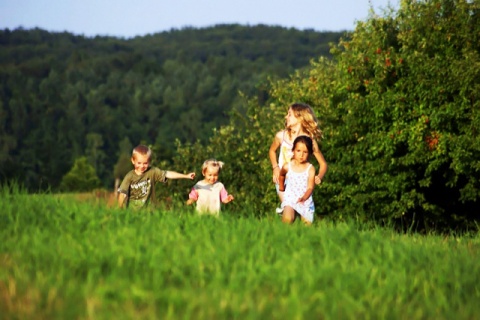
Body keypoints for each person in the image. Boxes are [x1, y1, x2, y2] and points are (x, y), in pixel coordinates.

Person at [269, 103, 327, 214]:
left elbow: (323, 164)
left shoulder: (310, 141)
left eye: (289, 114)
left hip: (301, 183)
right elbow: (272, 151)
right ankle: (285, 211)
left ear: (300, 117)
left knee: (298, 214)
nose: (286, 117)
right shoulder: (281, 136)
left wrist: (319, 176)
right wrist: (275, 167)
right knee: (290, 211)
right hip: (282, 179)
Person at [117, 145, 195, 210]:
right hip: (133, 211)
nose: (142, 166)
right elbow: (122, 193)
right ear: (133, 161)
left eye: (145, 163)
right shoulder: (130, 176)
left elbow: (168, 174)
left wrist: (186, 176)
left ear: (149, 162)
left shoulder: (152, 171)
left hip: (150, 211)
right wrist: (120, 209)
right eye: (139, 163)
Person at [278, 136, 316, 225]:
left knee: (307, 225)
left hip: (305, 200)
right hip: (290, 199)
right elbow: (281, 175)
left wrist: (304, 198)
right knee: (287, 219)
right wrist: (281, 187)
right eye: (298, 151)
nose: (301, 155)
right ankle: (284, 237)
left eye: (305, 152)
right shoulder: (287, 166)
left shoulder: (310, 169)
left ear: (309, 153)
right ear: (293, 150)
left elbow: (310, 187)